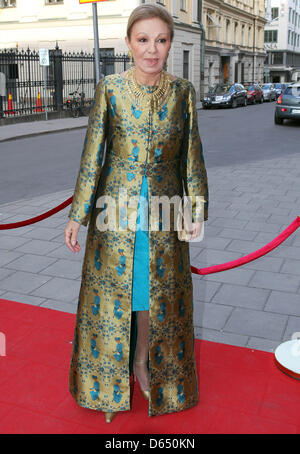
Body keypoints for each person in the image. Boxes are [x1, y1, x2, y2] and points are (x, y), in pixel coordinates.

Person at [64, 3, 209, 424]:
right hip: (115, 214)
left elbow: (191, 157)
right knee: (111, 297)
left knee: (151, 297)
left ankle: (143, 365)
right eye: (143, 40)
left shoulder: (182, 93)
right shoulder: (110, 88)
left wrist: (196, 206)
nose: (152, 49)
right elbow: (93, 155)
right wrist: (77, 214)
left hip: (164, 214)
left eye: (160, 40)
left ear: (170, 44)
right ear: (129, 43)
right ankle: (107, 386)